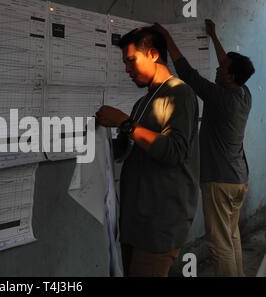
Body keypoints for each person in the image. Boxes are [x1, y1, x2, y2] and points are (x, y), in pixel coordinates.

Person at [154, 20, 255, 277]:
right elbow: (230, 63)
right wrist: (213, 36)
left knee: (219, 245)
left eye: (222, 69)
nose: (217, 70)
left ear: (230, 77)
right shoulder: (243, 93)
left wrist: (167, 38)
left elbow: (188, 73)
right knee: (231, 237)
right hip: (238, 180)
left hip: (219, 181)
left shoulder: (219, 98)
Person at [96, 27, 199, 277]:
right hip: (134, 222)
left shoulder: (179, 93)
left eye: (131, 61)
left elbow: (174, 151)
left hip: (159, 224)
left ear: (153, 54)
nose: (127, 69)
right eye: (124, 63)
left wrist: (125, 123)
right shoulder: (143, 102)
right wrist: (97, 139)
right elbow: (128, 148)